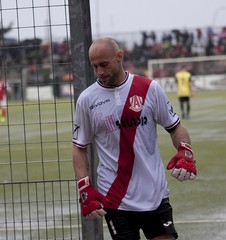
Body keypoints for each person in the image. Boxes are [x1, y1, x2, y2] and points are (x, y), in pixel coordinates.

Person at [72, 37, 197, 240]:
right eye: (95, 67)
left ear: (119, 56)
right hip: (115, 197)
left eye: (104, 64)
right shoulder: (87, 100)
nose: (100, 72)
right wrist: (84, 186)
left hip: (155, 193)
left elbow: (175, 126)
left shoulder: (149, 88)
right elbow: (79, 146)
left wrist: (185, 150)